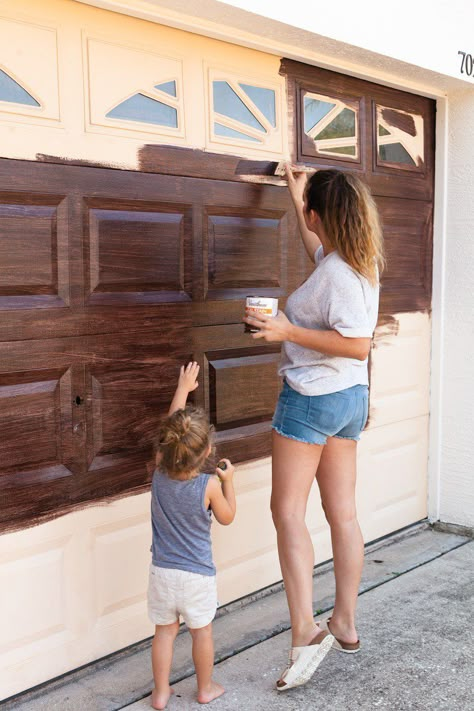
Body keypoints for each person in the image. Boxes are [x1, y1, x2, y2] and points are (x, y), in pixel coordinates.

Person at [244, 166, 384, 691]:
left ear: (322, 215)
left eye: (309, 210)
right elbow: (314, 249)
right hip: (349, 400)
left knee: (286, 512)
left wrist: (285, 329)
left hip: (311, 398)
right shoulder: (355, 261)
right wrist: (296, 191)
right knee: (342, 513)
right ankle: (344, 624)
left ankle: (306, 631)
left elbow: (358, 343)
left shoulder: (342, 276)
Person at [147, 362, 236, 709]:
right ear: (207, 453)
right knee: (202, 634)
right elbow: (227, 517)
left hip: (162, 573)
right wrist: (230, 483)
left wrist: (183, 389)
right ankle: (205, 688)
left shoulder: (158, 473)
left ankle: (160, 692)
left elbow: (168, 434)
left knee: (164, 633)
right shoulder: (209, 485)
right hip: (197, 576)